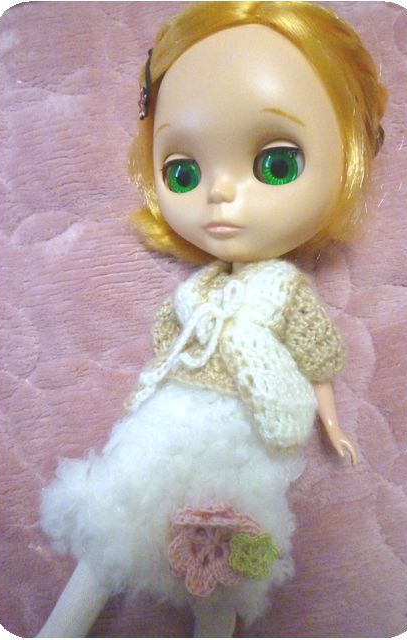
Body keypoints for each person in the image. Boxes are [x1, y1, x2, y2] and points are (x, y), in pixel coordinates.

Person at [37, 2, 386, 637]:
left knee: (220, 560)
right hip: (168, 423)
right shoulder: (196, 290)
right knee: (119, 526)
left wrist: (332, 425)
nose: (219, 194)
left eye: (276, 164)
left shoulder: (283, 289)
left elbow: (317, 360)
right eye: (184, 172)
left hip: (242, 440)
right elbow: (168, 347)